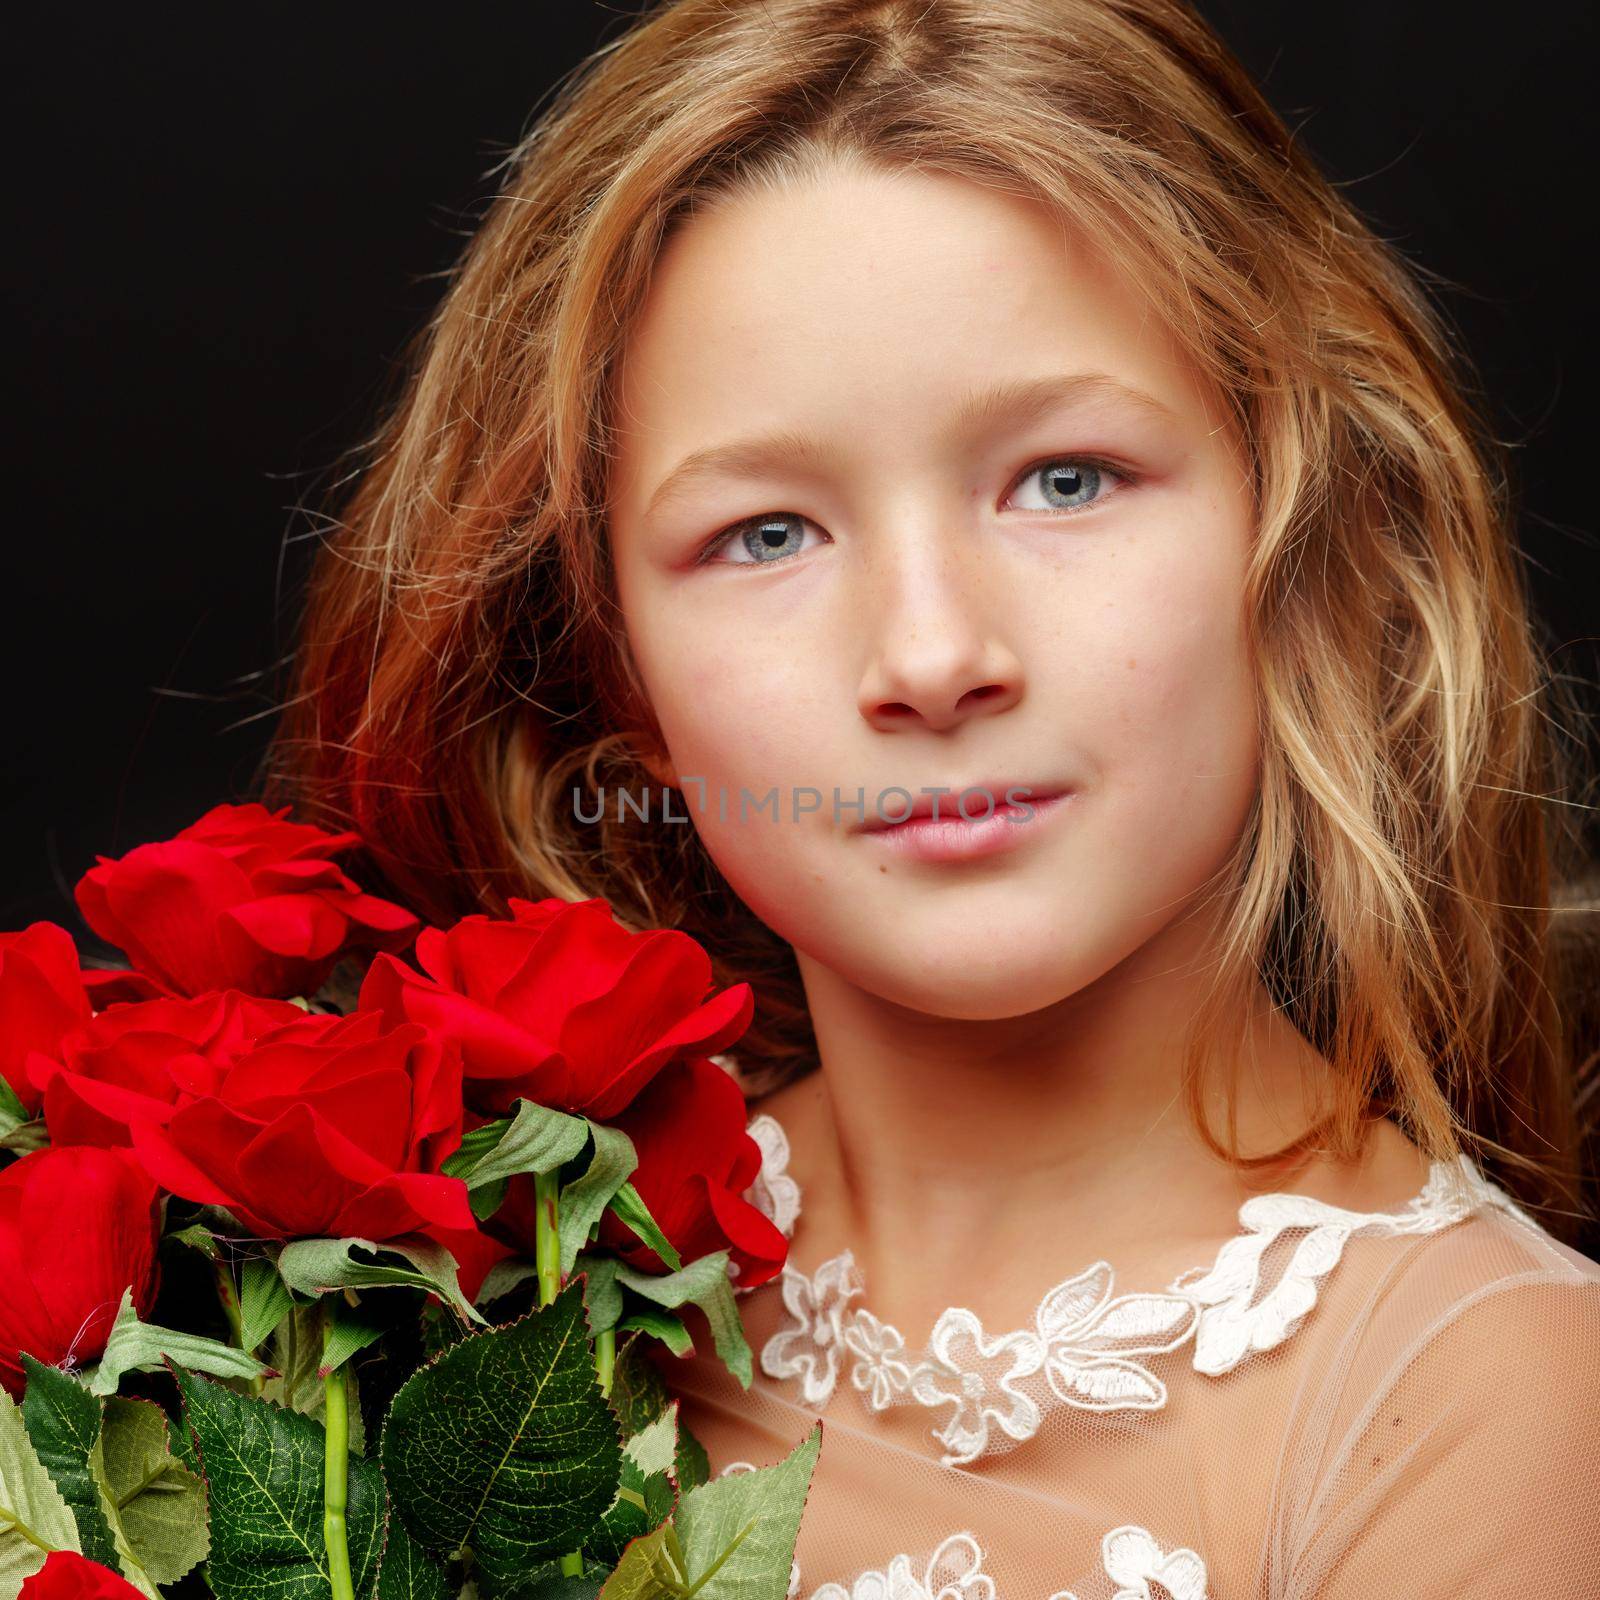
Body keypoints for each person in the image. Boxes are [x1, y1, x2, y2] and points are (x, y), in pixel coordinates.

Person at [263, 1, 1600, 1593]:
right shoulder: (461, 1301)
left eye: (1066, 479)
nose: (932, 653)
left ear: (1309, 536)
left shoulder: (1481, 1410)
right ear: (615, 660)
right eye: (766, 533)